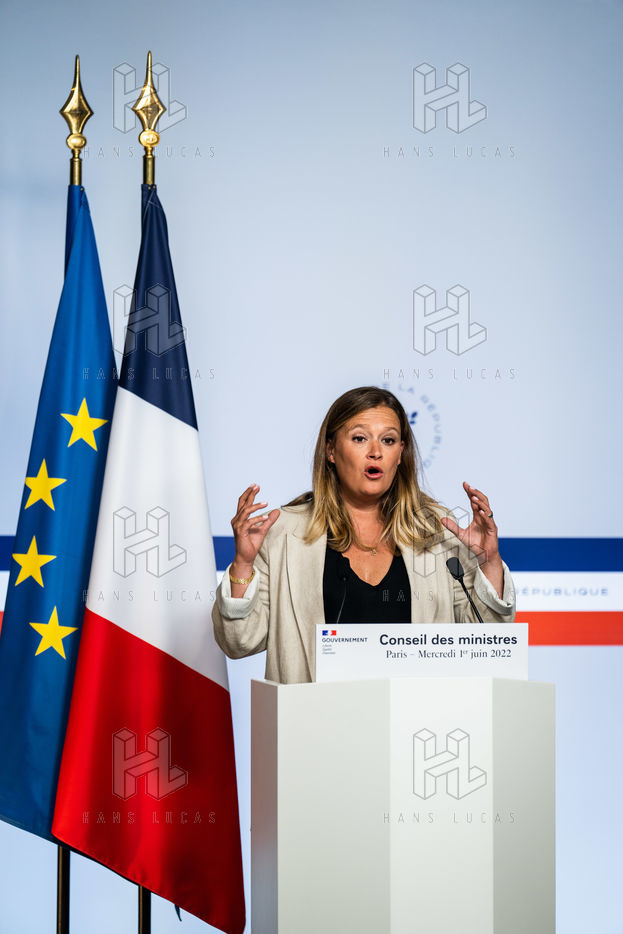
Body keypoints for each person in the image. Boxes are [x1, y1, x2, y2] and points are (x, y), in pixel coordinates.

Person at [212, 386, 515, 684]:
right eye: (359, 438)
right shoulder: (283, 533)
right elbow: (239, 642)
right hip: (315, 714)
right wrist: (243, 565)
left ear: (400, 453)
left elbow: (487, 642)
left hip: (416, 714)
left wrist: (488, 560)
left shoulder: (437, 530)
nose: (375, 452)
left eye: (388, 440)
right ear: (331, 450)